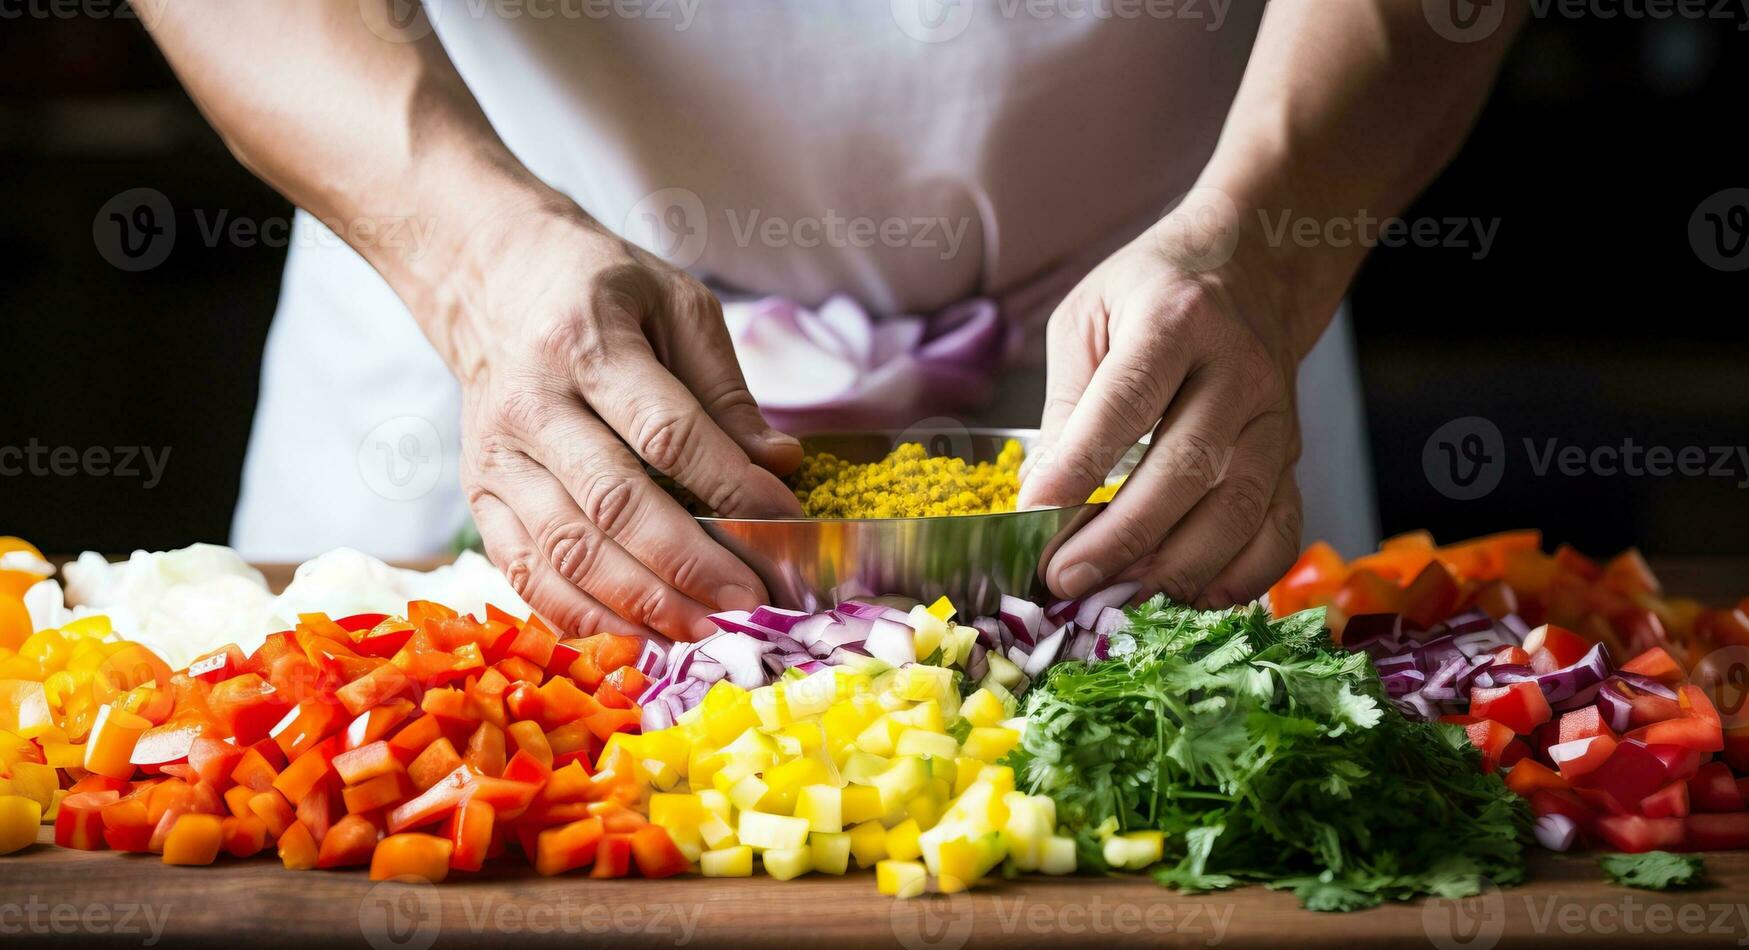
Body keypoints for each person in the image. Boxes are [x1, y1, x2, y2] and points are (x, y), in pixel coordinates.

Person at [145, 1, 1522, 640]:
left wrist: (1269, 251)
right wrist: (468, 256)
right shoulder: (478, 268)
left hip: (1177, 322)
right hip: (499, 291)